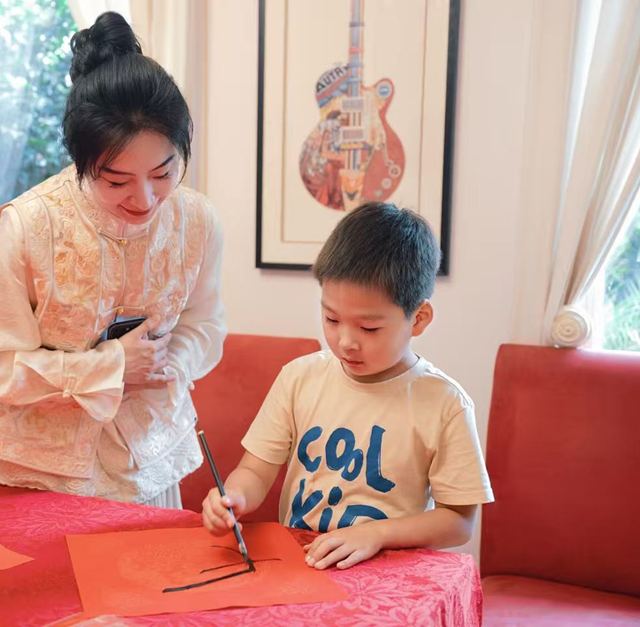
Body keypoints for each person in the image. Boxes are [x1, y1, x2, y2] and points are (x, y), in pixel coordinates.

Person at [0, 12, 225, 508]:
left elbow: (205, 322)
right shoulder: (29, 226)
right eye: (117, 180)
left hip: (148, 459)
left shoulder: (197, 221)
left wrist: (170, 364)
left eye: (163, 173)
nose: (145, 199)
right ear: (81, 161)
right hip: (40, 468)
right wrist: (112, 366)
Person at [202, 202, 492, 569]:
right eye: (331, 318)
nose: (346, 342)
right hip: (304, 564)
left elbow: (459, 521)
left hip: (385, 572)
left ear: (419, 318)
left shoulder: (444, 403)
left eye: (369, 328)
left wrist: (377, 534)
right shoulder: (299, 378)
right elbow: (256, 471)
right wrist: (234, 497)